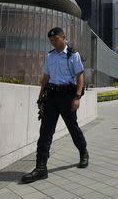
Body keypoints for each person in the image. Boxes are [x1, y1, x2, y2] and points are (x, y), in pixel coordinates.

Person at [21, 27, 89, 183]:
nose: (53, 42)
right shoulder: (49, 56)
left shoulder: (73, 55)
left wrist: (77, 97)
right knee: (45, 131)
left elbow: (80, 77)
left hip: (67, 96)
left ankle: (83, 151)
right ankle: (40, 168)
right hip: (51, 96)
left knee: (73, 127)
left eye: (55, 39)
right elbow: (46, 77)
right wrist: (40, 98)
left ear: (63, 37)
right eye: (51, 40)